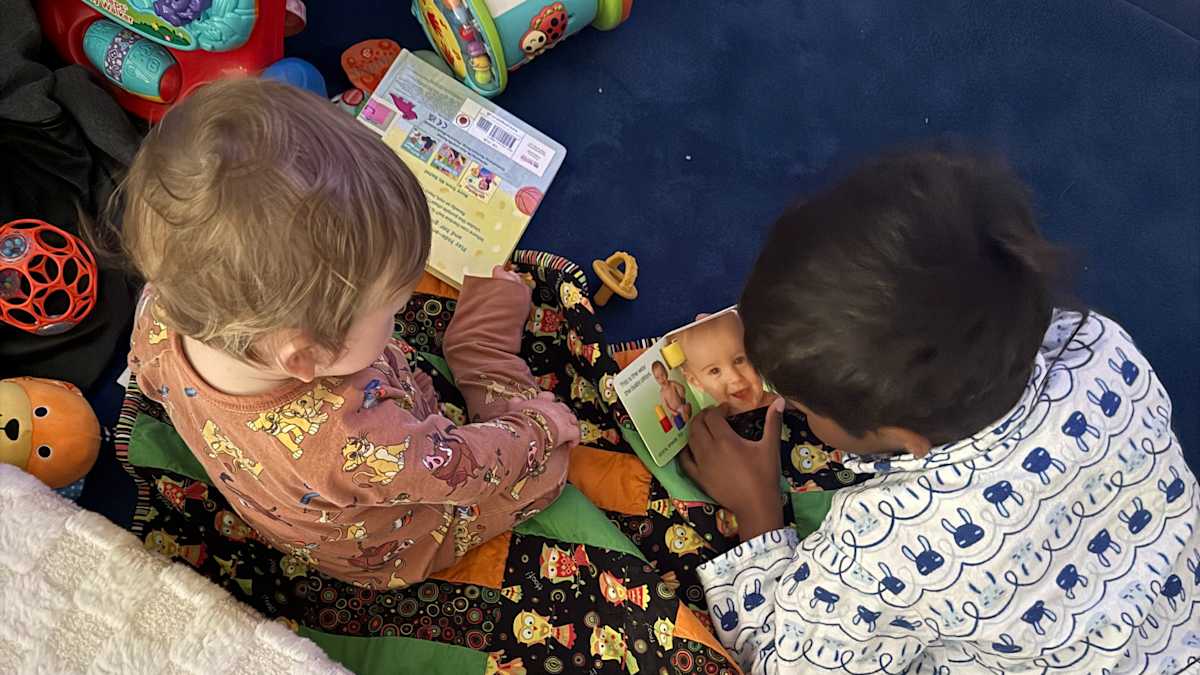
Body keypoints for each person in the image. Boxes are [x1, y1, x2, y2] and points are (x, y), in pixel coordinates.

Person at [681, 150, 1199, 673]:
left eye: (804, 405)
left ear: (904, 436)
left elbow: (787, 666)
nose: (785, 402)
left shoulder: (882, 541)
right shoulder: (1104, 346)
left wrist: (758, 512)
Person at [119, 78, 579, 589]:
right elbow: (466, 470)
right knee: (549, 471)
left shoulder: (161, 311)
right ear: (304, 357)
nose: (400, 312)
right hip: (396, 547)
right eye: (393, 307)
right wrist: (539, 429)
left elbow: (151, 380)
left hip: (325, 486)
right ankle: (481, 354)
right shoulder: (353, 441)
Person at [675, 311, 775, 415]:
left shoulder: (784, 405)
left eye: (739, 360)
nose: (735, 378)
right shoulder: (709, 424)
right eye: (715, 371)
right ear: (695, 381)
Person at [652, 359, 691, 427]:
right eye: (657, 378)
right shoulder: (662, 393)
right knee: (672, 420)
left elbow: (682, 389)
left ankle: (687, 420)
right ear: (655, 380)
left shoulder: (672, 384)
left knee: (687, 406)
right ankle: (682, 422)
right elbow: (666, 406)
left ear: (666, 372)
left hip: (681, 407)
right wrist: (673, 412)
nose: (661, 379)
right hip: (674, 413)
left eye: (662, 374)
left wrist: (682, 395)